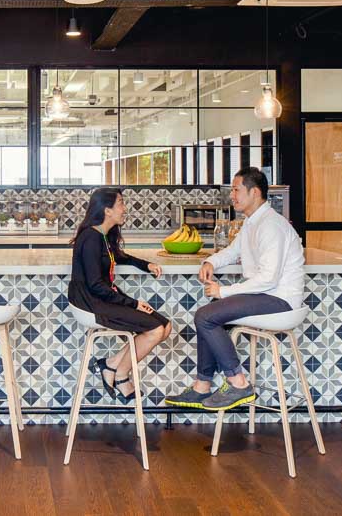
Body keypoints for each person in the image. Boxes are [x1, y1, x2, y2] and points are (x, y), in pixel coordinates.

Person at [165, 166, 305, 411]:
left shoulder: (271, 225)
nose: (232, 195)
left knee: (206, 316)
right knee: (209, 314)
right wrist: (210, 261)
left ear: (255, 192)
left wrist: (224, 291)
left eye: (237, 190)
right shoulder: (253, 222)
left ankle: (238, 383)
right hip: (265, 295)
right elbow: (233, 252)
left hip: (279, 300)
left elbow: (269, 279)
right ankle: (202, 385)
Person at [68, 188, 171, 402]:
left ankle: (112, 364)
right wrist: (133, 304)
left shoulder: (103, 236)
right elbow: (96, 285)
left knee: (165, 327)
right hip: (91, 303)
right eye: (121, 203)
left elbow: (120, 256)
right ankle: (121, 374)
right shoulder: (91, 238)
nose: (125, 209)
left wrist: (146, 265)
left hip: (105, 298)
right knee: (155, 330)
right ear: (107, 210)